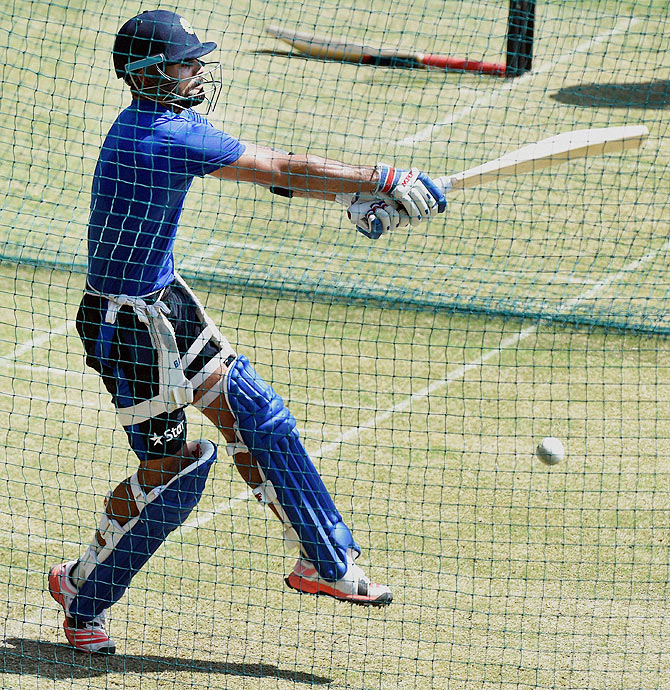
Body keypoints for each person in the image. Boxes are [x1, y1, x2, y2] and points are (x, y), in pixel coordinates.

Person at [48, 9, 447, 655]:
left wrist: (350, 200)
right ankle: (84, 591)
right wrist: (383, 180)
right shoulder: (158, 135)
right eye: (185, 62)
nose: (198, 69)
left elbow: (269, 176)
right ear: (150, 75)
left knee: (259, 417)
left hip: (163, 305)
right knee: (175, 472)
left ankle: (324, 562)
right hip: (128, 331)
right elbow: (282, 167)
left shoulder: (173, 122)